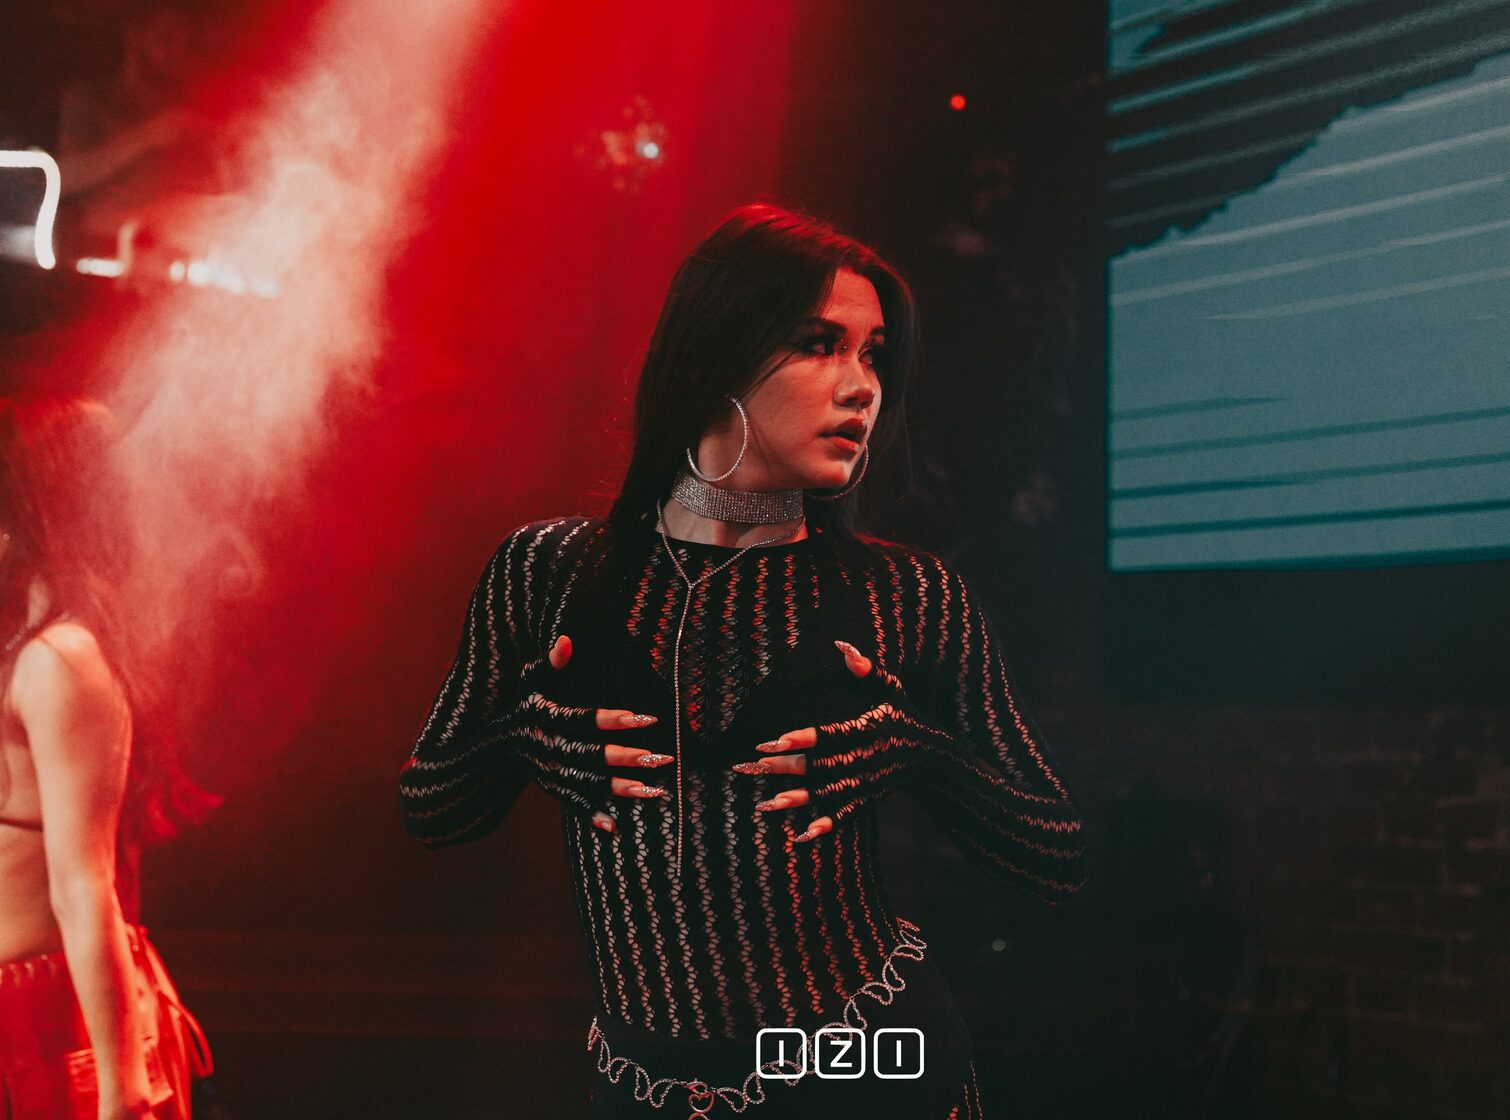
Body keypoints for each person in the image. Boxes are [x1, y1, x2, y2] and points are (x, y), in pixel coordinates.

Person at [399, 203, 1086, 1118]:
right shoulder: (547, 570)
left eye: (873, 354)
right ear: (714, 355)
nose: (862, 387)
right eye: (820, 345)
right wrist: (525, 736)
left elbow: (1055, 853)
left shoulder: (907, 592)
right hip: (645, 1089)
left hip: (866, 1074)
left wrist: (913, 749)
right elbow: (431, 807)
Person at [0, 396, 213, 1120]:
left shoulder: (61, 660)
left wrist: (122, 1093)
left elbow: (84, 887)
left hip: (52, 1025)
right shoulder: (25, 653)